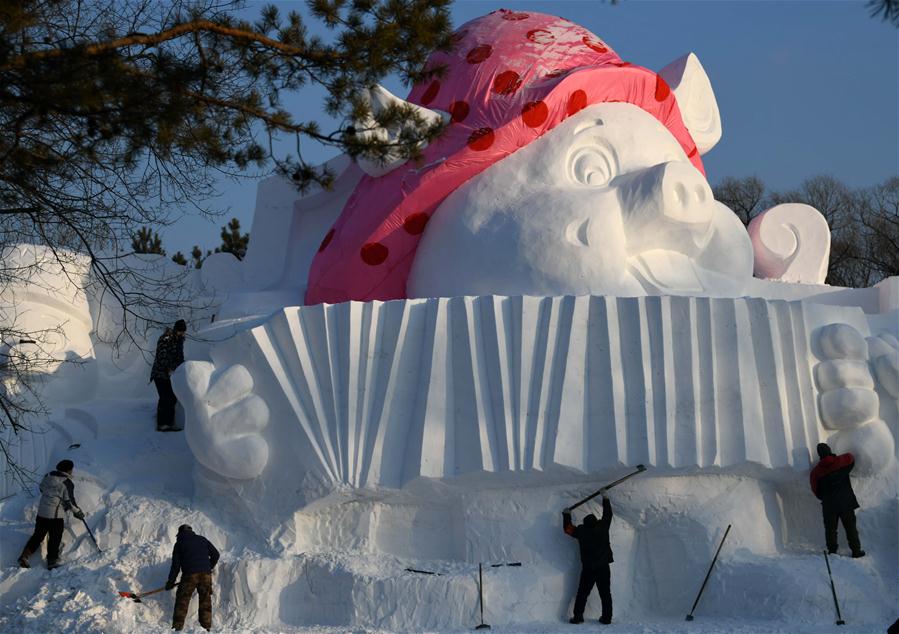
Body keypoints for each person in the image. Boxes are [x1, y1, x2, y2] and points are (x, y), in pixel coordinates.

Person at [18, 459, 84, 569]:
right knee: (55, 537)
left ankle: (24, 556)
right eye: (71, 469)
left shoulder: (47, 476)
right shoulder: (67, 483)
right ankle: (52, 562)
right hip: (55, 516)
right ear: (69, 470)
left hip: (42, 514)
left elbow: (41, 489)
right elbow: (70, 501)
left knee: (38, 536)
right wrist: (77, 512)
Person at [563, 489, 613, 625]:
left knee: (583, 593)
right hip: (603, 567)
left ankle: (578, 616)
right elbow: (608, 515)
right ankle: (606, 618)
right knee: (605, 593)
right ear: (596, 521)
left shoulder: (581, 532)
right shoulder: (602, 527)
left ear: (585, 524)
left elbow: (567, 529)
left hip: (589, 569)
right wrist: (605, 498)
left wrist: (566, 514)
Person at [810, 442, 864, 558]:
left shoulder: (816, 472)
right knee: (850, 528)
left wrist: (824, 496)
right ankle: (856, 551)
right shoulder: (841, 462)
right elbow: (851, 458)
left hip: (829, 505)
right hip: (846, 502)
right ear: (829, 450)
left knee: (830, 530)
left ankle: (832, 552)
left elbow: (815, 490)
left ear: (819, 455)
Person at [166, 524, 220, 632]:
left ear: (180, 533)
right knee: (205, 599)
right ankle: (206, 627)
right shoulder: (202, 539)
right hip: (206, 575)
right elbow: (216, 554)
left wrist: (171, 581)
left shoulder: (179, 544)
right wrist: (209, 567)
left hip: (189, 576)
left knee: (182, 600)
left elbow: (175, 566)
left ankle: (177, 628)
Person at [150, 319, 187, 431]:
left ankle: (170, 423)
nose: (182, 333)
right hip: (160, 373)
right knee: (165, 398)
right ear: (176, 329)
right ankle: (162, 424)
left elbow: (180, 358)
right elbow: (162, 356)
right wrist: (169, 367)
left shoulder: (179, 340)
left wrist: (180, 368)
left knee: (172, 398)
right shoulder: (165, 339)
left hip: (171, 374)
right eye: (180, 331)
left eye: (183, 331)